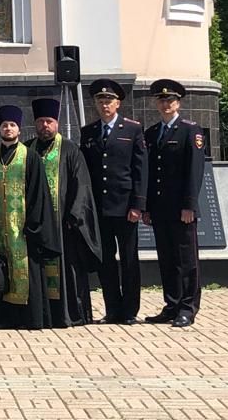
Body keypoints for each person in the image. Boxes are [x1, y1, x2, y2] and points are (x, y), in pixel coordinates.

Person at [27, 98, 103, 327]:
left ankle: (68, 314)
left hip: (63, 224)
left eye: (49, 121)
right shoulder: (28, 149)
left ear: (57, 123)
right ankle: (43, 314)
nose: (45, 126)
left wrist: (74, 216)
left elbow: (82, 185)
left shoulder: (70, 150)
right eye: (41, 121)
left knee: (68, 270)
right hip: (36, 224)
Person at [80, 79, 147, 325]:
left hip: (125, 206)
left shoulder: (132, 129)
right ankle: (112, 309)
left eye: (109, 100)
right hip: (100, 207)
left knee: (129, 259)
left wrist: (138, 205)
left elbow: (140, 169)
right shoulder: (89, 132)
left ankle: (129, 311)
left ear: (118, 103)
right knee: (106, 260)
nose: (105, 105)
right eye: (100, 100)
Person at [0, 106, 61, 330]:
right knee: (1, 270)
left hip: (23, 228)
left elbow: (39, 193)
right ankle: (3, 319)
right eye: (4, 125)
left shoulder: (30, 156)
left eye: (12, 125)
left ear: (19, 129)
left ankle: (30, 318)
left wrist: (33, 225)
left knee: (26, 271)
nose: (8, 129)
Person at [142, 79, 205, 328]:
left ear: (178, 103)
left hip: (181, 208)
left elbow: (194, 170)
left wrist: (190, 205)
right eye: (161, 100)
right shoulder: (152, 133)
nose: (165, 104)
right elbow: (149, 173)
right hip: (160, 208)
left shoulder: (190, 130)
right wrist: (147, 207)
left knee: (186, 260)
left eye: (170, 100)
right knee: (167, 258)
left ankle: (188, 308)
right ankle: (172, 304)